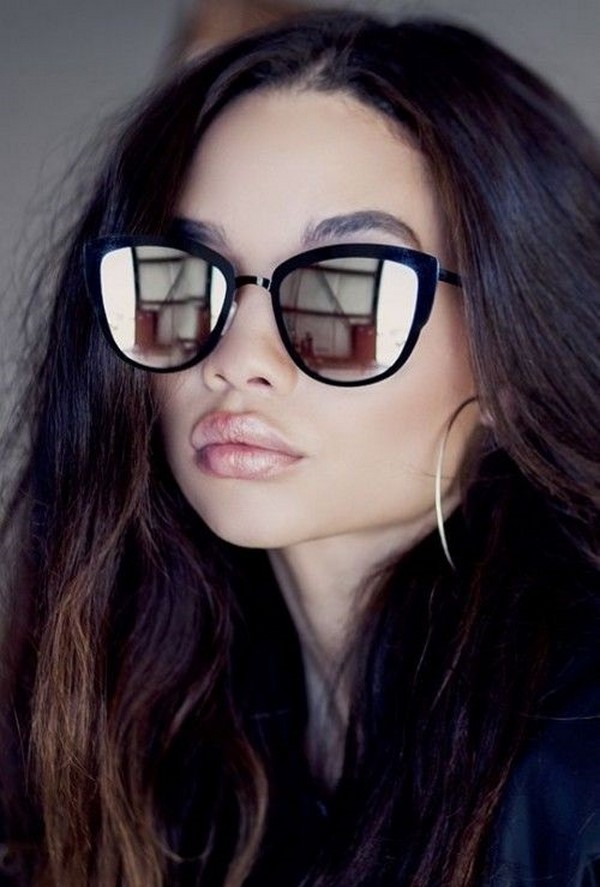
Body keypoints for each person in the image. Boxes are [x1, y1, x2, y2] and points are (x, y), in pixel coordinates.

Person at [0, 10, 599, 887]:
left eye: (342, 293)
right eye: (185, 276)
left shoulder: (579, 768)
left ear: (516, 349)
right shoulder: (142, 717)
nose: (235, 360)